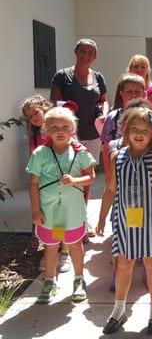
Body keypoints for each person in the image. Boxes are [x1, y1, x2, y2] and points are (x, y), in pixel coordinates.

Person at [97, 108, 152, 335]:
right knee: (124, 264)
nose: (139, 134)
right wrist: (101, 218)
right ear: (126, 131)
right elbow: (110, 188)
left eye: (145, 131)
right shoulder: (117, 156)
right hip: (125, 219)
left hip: (151, 219)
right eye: (134, 129)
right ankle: (119, 310)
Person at [26, 107, 96, 303]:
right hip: (50, 213)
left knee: (75, 244)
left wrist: (75, 181)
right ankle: (50, 280)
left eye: (65, 126)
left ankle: (79, 279)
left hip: (72, 212)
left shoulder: (80, 153)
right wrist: (35, 210)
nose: (60, 130)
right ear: (46, 130)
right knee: (51, 246)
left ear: (72, 129)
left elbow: (90, 177)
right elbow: (33, 184)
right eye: (54, 126)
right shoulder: (40, 153)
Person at [50, 38, 108, 163]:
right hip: (69, 133)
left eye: (90, 53)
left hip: (93, 134)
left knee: (88, 173)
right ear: (76, 51)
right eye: (82, 51)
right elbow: (52, 104)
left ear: (95, 56)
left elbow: (104, 101)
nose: (85, 55)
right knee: (70, 171)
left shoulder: (98, 77)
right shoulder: (62, 76)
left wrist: (104, 115)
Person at [101, 74, 145, 183]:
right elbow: (106, 149)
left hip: (144, 169)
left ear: (144, 94)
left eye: (137, 91)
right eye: (129, 91)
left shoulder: (150, 116)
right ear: (121, 94)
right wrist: (109, 178)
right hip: (120, 170)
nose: (133, 95)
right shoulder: (113, 117)